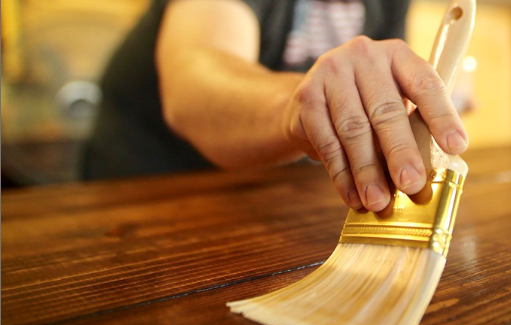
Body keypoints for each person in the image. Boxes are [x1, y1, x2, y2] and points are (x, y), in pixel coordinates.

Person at [82, 0, 468, 212]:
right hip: (143, 203)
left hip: (268, 206)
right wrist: (298, 106)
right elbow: (192, 78)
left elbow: (377, 90)